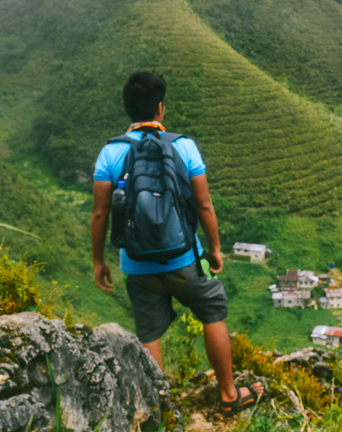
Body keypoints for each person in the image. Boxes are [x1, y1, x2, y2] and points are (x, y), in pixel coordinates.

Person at [91, 71, 264, 414]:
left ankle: (160, 411)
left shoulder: (110, 153)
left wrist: (99, 261)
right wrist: (214, 249)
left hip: (137, 266)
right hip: (185, 258)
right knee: (212, 312)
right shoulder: (183, 146)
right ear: (160, 108)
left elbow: (100, 214)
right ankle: (230, 396)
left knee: (149, 333)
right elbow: (204, 205)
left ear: (129, 110)